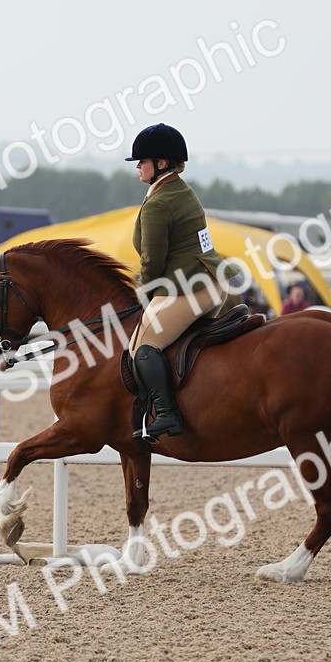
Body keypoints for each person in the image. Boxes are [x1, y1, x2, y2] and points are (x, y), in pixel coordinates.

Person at [126, 123, 232, 442]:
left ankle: (167, 413)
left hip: (189, 288)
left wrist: (142, 292)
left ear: (161, 163)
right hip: (211, 282)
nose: (138, 167)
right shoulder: (181, 190)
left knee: (143, 347)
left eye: (142, 161)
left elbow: (152, 261)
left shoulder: (159, 203)